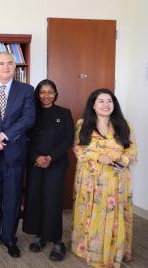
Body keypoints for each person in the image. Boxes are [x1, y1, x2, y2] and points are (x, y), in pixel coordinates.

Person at [0, 51, 35, 258]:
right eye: (1, 63)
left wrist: (3, 136)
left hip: (14, 154)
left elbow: (28, 118)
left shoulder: (27, 90)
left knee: (12, 199)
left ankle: (10, 238)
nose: (5, 67)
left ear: (15, 67)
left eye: (10, 63)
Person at [72, 88, 137, 267]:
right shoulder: (82, 124)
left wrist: (123, 159)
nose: (106, 105)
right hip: (91, 179)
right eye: (101, 101)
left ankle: (115, 252)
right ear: (93, 105)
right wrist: (98, 156)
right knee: (91, 213)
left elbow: (132, 149)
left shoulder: (124, 124)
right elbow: (78, 148)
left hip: (118, 179)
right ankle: (90, 250)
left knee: (115, 215)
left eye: (109, 101)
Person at [22, 79, 74, 261]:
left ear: (56, 94)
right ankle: (39, 236)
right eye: (42, 92)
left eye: (50, 92)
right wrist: (37, 157)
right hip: (35, 163)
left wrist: (50, 157)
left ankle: (57, 241)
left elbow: (68, 139)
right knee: (35, 198)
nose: (46, 95)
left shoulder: (64, 113)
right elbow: (25, 139)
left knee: (52, 200)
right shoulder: (31, 114)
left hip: (56, 163)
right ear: (37, 94)